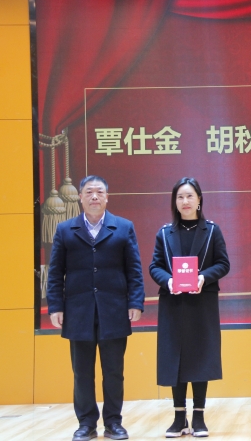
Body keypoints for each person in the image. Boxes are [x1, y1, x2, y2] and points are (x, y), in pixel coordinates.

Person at [47, 175, 144, 441]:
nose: (94, 197)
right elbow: (55, 273)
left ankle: (113, 422)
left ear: (107, 197)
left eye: (99, 192)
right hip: (78, 312)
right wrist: (55, 306)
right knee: (82, 373)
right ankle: (86, 424)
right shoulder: (65, 230)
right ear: (80, 197)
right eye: (88, 192)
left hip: (114, 310)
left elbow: (134, 269)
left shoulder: (123, 227)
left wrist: (135, 302)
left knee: (114, 372)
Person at [149, 177, 230, 438]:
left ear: (199, 200)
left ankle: (199, 417)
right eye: (180, 197)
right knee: (176, 358)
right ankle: (178, 417)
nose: (185, 201)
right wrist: (169, 280)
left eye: (190, 196)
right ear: (175, 202)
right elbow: (155, 266)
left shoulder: (212, 230)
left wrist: (203, 277)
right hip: (173, 303)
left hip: (202, 303)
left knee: (200, 357)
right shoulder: (164, 233)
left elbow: (223, 264)